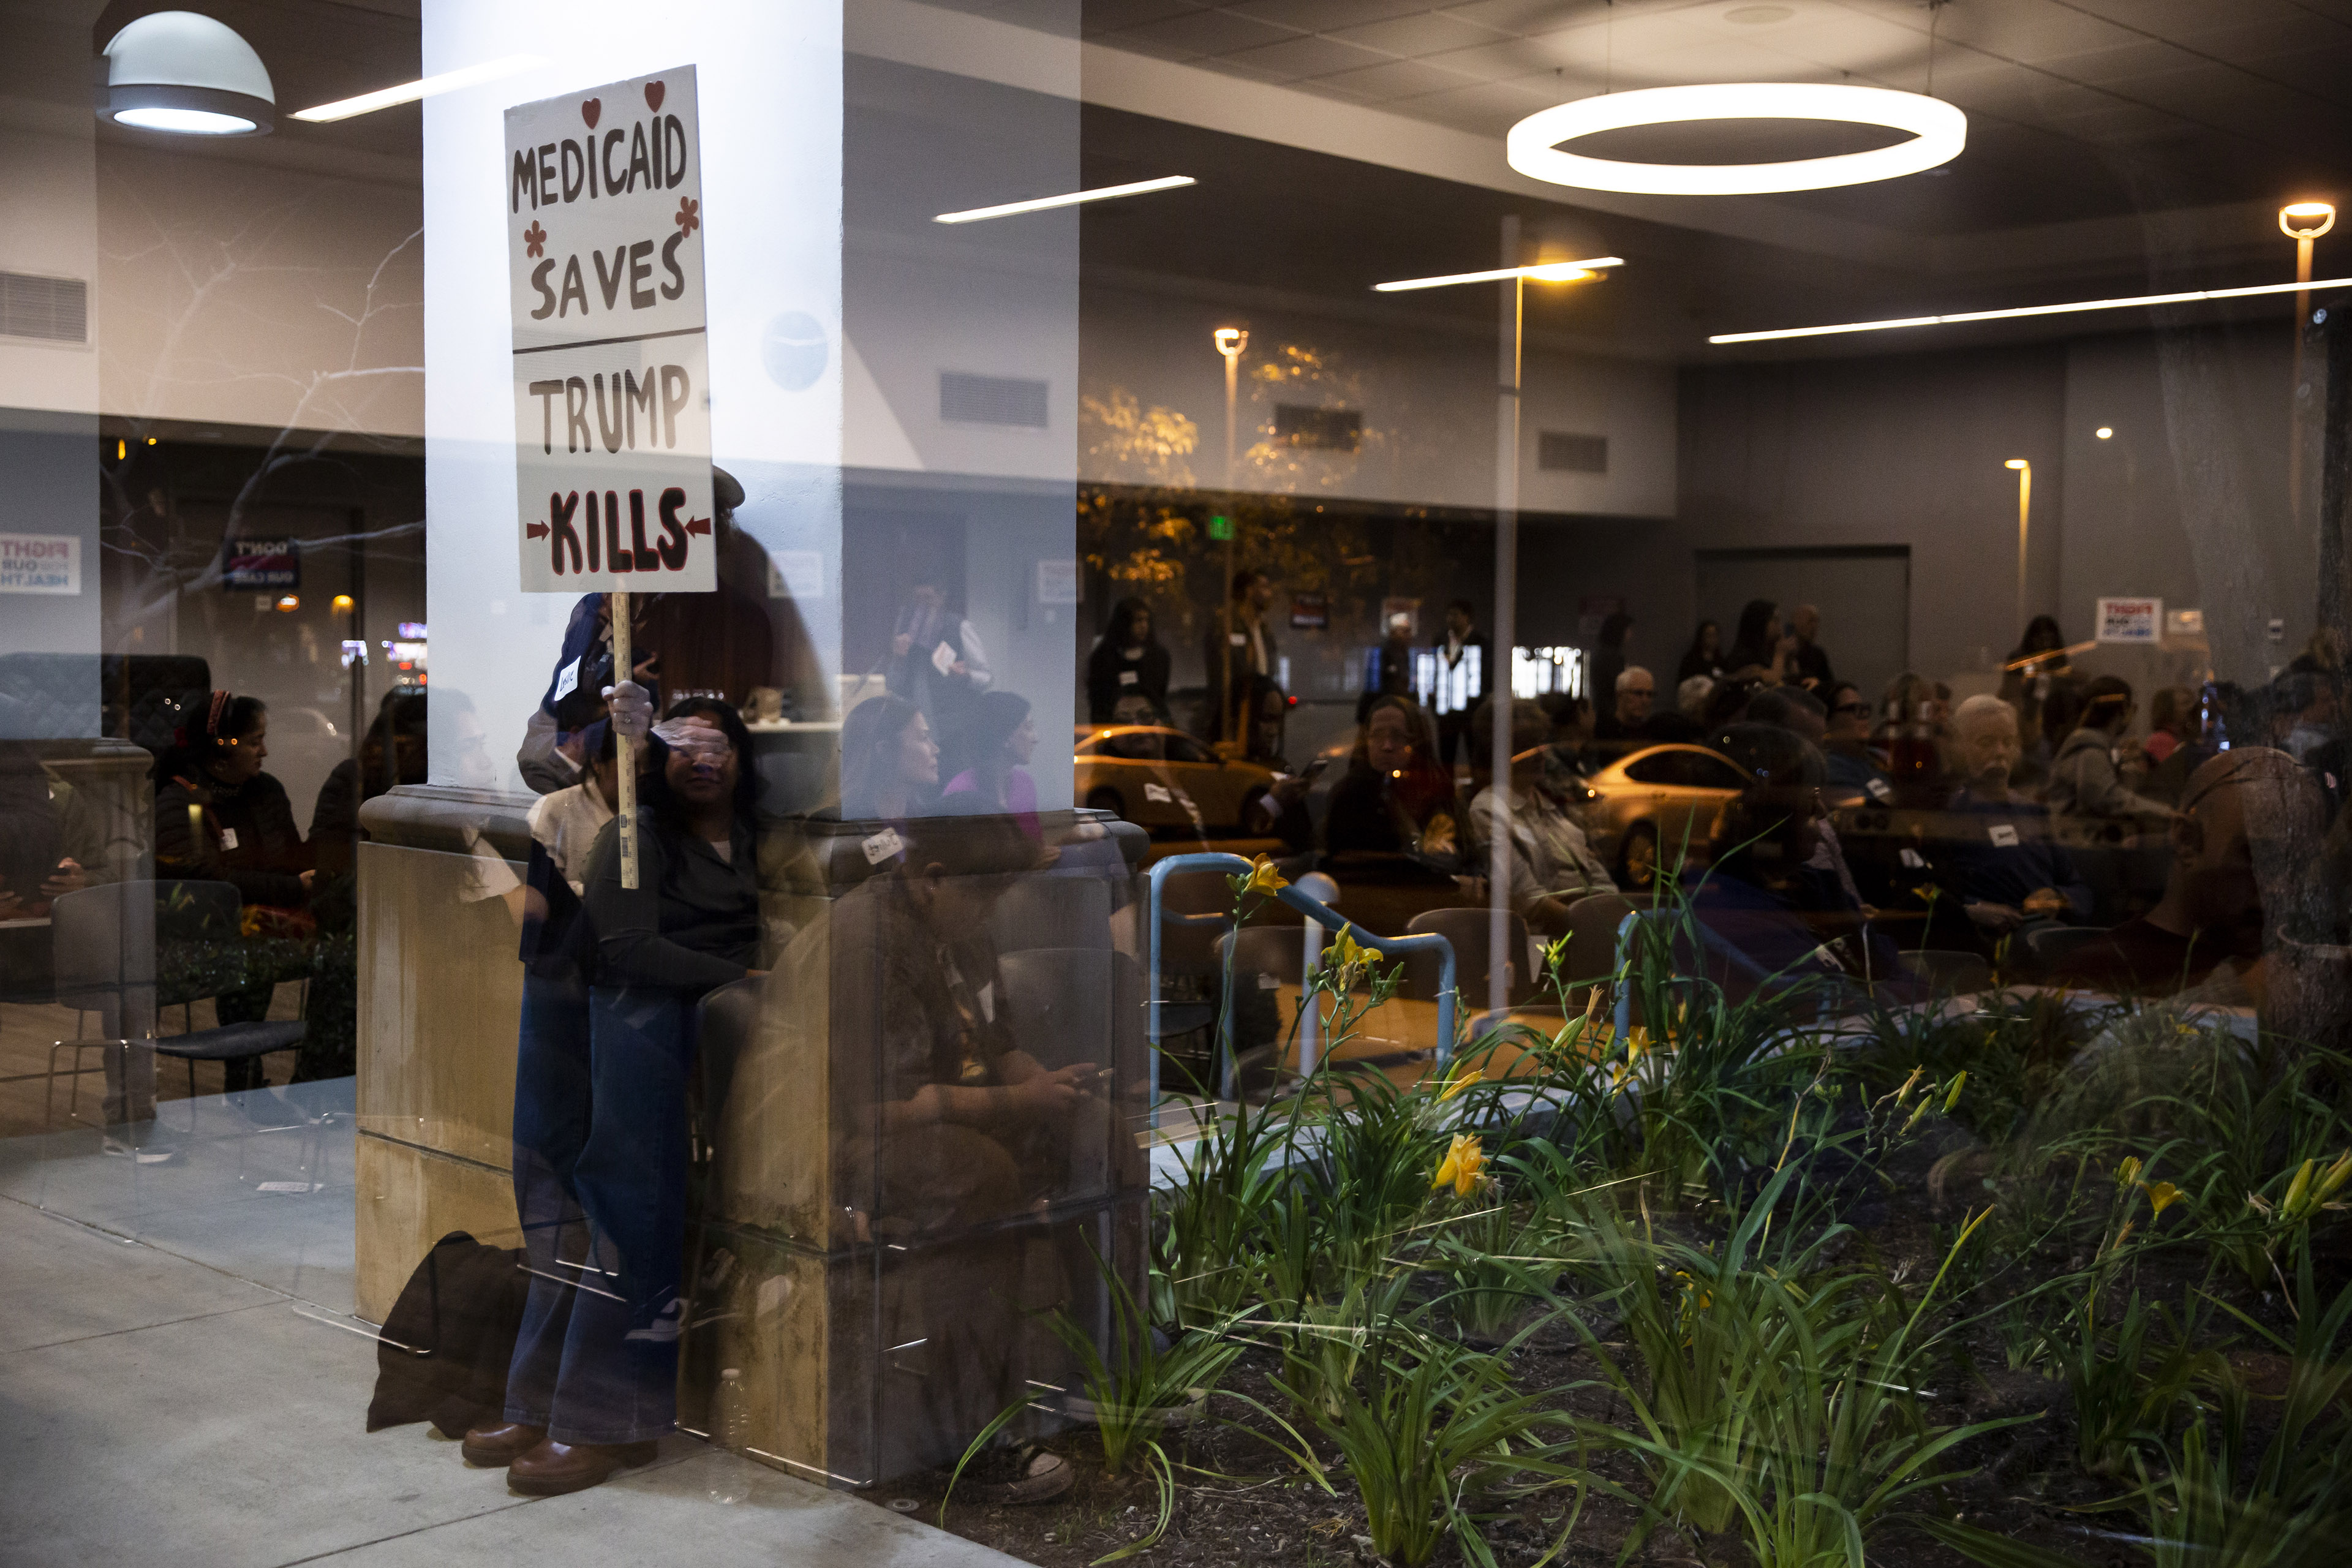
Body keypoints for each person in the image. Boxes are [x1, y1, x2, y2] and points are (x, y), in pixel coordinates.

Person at [484, 699, 767, 1496]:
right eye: (684, 746)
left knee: (615, 1218)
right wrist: (739, 979)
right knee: (569, 1213)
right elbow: (621, 946)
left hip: (646, 1040)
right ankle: (548, 1401)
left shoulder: (745, 843)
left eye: (719, 746)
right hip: (599, 1024)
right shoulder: (634, 838)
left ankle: (594, 1417)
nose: (701, 759)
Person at [2052, 748, 2320, 997]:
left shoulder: (2286, 960)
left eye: (2298, 866)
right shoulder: (2098, 973)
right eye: (2261, 860)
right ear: (2186, 840)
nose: (2282, 888)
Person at [154, 692, 316, 1094]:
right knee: (253, 943)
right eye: (253, 741)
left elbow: (291, 857)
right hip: (199, 934)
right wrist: (293, 887)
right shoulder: (180, 800)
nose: (265, 750)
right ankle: (244, 1082)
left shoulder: (267, 791)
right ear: (222, 748)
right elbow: (209, 880)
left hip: (267, 926)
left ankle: (313, 1078)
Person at [1932, 695, 2092, 946]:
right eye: (1986, 742)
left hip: (2051, 935)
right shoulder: (1950, 814)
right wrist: (1973, 909)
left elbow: (2081, 891)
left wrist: (2057, 897)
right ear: (1960, 747)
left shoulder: (2036, 814)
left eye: (2008, 742)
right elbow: (1933, 895)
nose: (2000, 752)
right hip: (1991, 943)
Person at [1467, 699, 1616, 934]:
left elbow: (1597, 876)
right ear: (1501, 751)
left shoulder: (1549, 805)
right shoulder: (1488, 810)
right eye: (1526, 744)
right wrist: (1594, 927)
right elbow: (1528, 900)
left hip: (1586, 934)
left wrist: (1618, 916)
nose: (1539, 753)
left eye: (1541, 742)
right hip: (1546, 943)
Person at [1324, 696, 1458, 862]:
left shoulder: (1435, 790)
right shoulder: (1348, 796)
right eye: (1377, 736)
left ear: (1415, 741)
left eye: (1398, 736)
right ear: (1366, 740)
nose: (1387, 746)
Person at [886, 579, 992, 777]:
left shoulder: (960, 627)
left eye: (928, 599)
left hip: (954, 732)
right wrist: (898, 659)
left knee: (954, 782)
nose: (922, 606)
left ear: (942, 598)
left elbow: (986, 677)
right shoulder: (904, 630)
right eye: (917, 599)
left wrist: (966, 675)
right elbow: (892, 685)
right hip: (916, 734)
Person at [2046, 676, 2171, 823]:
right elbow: (2107, 798)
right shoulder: (2090, 751)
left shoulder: (2091, 745)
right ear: (2124, 708)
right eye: (2132, 708)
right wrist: (2166, 813)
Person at [943, 690, 1043, 844]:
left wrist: (1068, 841)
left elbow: (1037, 851)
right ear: (1005, 736)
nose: (1036, 738)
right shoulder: (961, 791)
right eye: (1028, 727)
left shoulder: (1025, 783)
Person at [840, 693, 941, 826]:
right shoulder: (846, 821)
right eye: (923, 737)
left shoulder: (933, 819)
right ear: (885, 750)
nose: (936, 750)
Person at [1202, 568, 1276, 747]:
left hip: (1257, 716)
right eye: (1264, 587)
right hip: (1234, 715)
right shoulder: (1225, 625)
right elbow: (1221, 675)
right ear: (1249, 590)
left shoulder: (1264, 629)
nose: (1269, 593)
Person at [1086, 597, 1169, 725]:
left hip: (1148, 725)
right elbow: (1098, 702)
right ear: (1125, 623)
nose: (1143, 626)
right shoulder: (1104, 658)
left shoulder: (1158, 657)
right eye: (1138, 620)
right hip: (1116, 726)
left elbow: (1159, 697)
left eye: (1146, 620)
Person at [1431, 599, 1491, 772]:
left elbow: (1486, 675)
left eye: (1455, 615)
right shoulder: (1441, 640)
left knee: (1475, 757)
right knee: (1446, 759)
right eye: (1449, 615)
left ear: (1467, 617)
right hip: (1447, 713)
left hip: (1472, 712)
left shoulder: (1481, 642)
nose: (1450, 619)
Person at [1819, 682, 1890, 802]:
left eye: (1864, 709)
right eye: (1853, 709)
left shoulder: (1879, 756)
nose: (1864, 716)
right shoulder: (1831, 768)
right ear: (1826, 721)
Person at [1724, 600, 1794, 686]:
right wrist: (1780, 654)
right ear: (1760, 622)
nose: (1780, 627)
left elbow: (1794, 679)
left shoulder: (1768, 653)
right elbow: (1773, 683)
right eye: (1776, 620)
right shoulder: (1743, 657)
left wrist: (1790, 658)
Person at [1593, 665, 1656, 744]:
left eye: (1649, 695)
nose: (1645, 700)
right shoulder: (1603, 733)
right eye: (1638, 693)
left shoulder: (1654, 734)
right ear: (1620, 695)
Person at [1588, 611, 1632, 715]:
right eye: (1628, 630)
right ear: (1620, 631)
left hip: (1602, 708)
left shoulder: (1602, 652)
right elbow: (1618, 686)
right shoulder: (1611, 656)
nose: (1630, 634)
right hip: (1610, 711)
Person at [2143, 685, 2195, 767]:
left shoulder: (2182, 736)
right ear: (2169, 709)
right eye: (2185, 703)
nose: (2192, 707)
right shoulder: (2161, 740)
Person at [1787, 605, 1834, 692]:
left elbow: (1830, 684)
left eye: (1817, 622)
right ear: (1796, 622)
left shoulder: (1818, 654)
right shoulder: (1784, 651)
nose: (1814, 626)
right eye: (1810, 621)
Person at [1676, 619, 1724, 685]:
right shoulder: (1691, 660)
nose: (1712, 639)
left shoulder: (1720, 661)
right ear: (1701, 637)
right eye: (1709, 635)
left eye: (1715, 635)